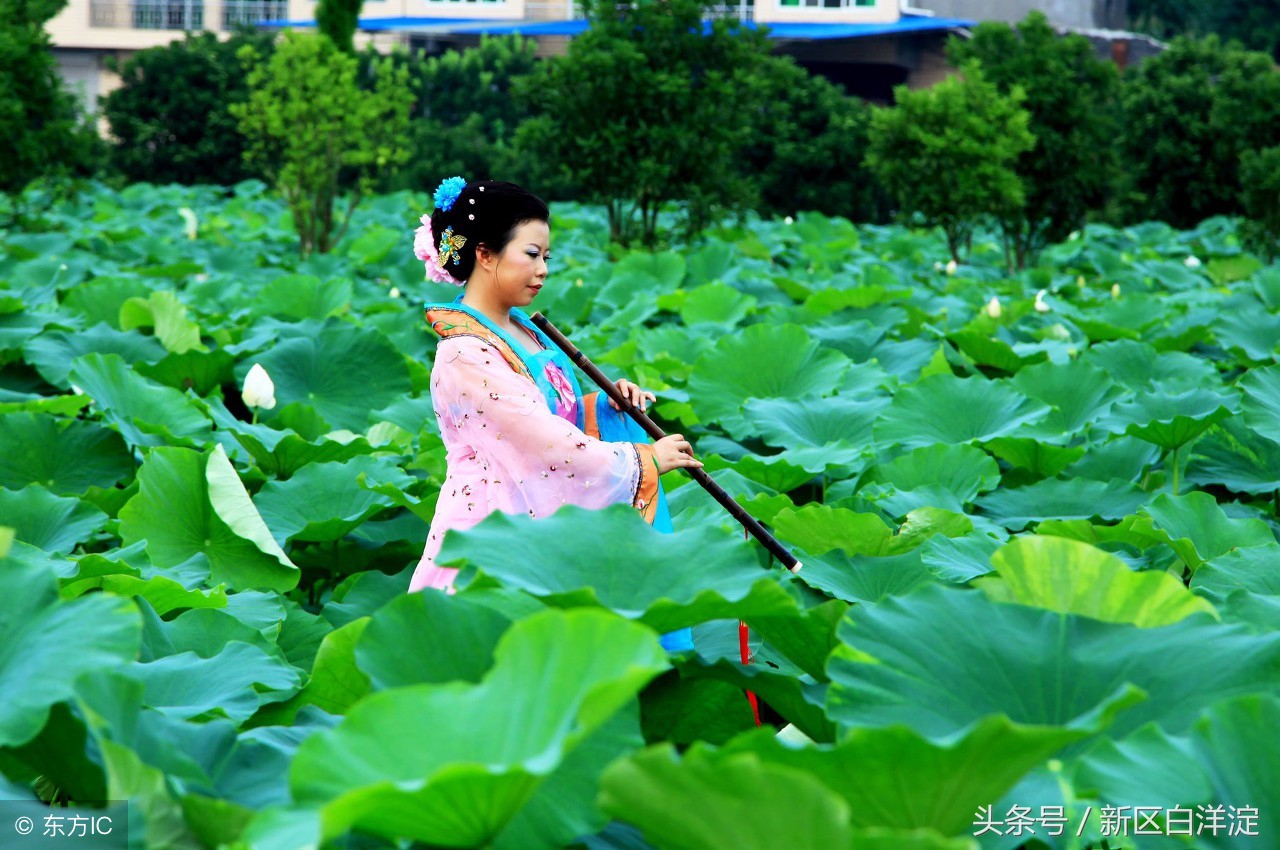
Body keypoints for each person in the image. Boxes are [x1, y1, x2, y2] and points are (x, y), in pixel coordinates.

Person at [407, 177, 702, 652]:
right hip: (495, 523)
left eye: (547, 256)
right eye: (532, 254)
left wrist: (603, 407)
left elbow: (549, 414)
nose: (543, 269)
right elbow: (541, 439)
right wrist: (641, 459)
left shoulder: (522, 329)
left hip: (535, 511)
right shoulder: (464, 353)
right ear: (485, 254)